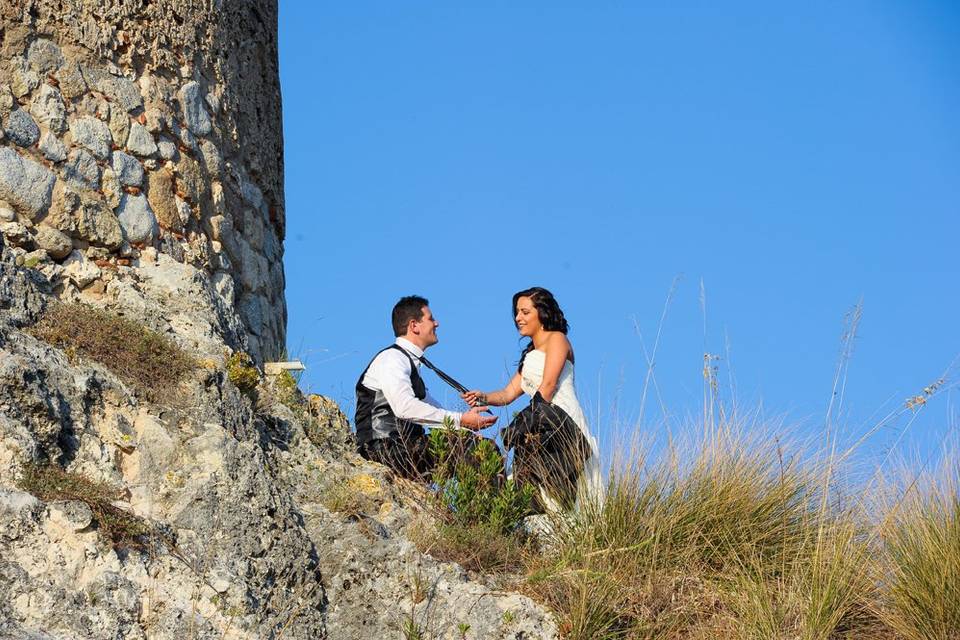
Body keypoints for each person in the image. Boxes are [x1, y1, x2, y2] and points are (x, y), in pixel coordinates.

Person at [463, 287, 603, 513]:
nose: (518, 318)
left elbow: (548, 387)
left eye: (525, 312)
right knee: (535, 489)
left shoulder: (557, 339)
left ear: (542, 313)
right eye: (517, 313)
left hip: (561, 420)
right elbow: (508, 394)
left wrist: (519, 427)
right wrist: (482, 397)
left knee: (562, 487)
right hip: (538, 424)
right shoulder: (529, 355)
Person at [354, 295, 497, 479]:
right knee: (478, 450)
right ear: (414, 326)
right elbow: (404, 407)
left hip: (399, 449)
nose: (436, 323)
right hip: (383, 451)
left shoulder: (409, 364)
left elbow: (433, 410)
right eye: (430, 319)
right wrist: (461, 419)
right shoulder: (392, 359)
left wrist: (468, 426)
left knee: (479, 446)